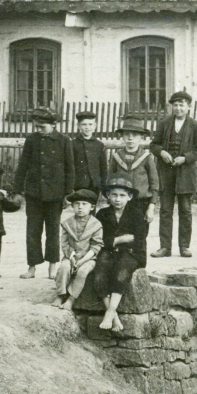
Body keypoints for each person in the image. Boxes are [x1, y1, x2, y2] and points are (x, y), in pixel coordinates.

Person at [13, 108, 75, 280]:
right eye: (36, 127)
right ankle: (32, 267)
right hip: (34, 194)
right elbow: (23, 166)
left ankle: (52, 267)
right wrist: (17, 190)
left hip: (55, 195)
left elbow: (70, 169)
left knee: (53, 231)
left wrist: (68, 194)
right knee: (32, 231)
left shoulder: (64, 141)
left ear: (53, 125)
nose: (39, 130)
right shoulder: (31, 140)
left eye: (42, 127)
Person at [90, 177, 151, 332]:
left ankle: (110, 312)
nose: (118, 199)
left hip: (132, 253)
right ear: (108, 196)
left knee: (121, 273)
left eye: (122, 195)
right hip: (108, 251)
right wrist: (119, 239)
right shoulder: (102, 214)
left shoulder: (136, 214)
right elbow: (97, 238)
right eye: (114, 195)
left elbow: (138, 239)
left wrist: (116, 242)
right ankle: (113, 315)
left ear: (129, 197)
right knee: (99, 273)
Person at [151, 91, 197, 258]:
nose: (178, 108)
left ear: (189, 107)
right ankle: (165, 247)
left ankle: (184, 247)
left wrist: (185, 158)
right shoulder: (164, 123)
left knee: (185, 211)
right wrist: (161, 153)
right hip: (166, 174)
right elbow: (154, 145)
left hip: (185, 174)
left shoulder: (195, 126)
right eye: (175, 105)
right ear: (171, 107)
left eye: (182, 105)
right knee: (165, 211)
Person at [53, 189, 102, 309]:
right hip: (70, 256)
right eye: (77, 204)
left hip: (89, 258)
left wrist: (82, 260)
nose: (80, 207)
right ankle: (60, 295)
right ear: (72, 206)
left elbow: (96, 246)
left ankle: (71, 299)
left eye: (84, 204)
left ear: (92, 207)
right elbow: (64, 244)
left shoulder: (96, 225)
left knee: (82, 271)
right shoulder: (67, 223)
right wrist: (72, 258)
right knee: (64, 267)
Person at [105, 116, 160, 214]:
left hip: (142, 203)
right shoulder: (116, 157)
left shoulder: (146, 157)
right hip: (121, 203)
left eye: (134, 135)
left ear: (141, 137)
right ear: (122, 136)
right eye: (126, 134)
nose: (130, 138)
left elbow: (154, 184)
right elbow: (109, 180)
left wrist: (151, 207)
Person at [72, 111, 107, 195]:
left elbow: (103, 167)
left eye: (90, 124)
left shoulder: (99, 145)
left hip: (94, 185)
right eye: (84, 124)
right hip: (77, 185)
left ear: (95, 126)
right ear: (78, 126)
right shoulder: (72, 144)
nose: (87, 127)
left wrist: (102, 186)